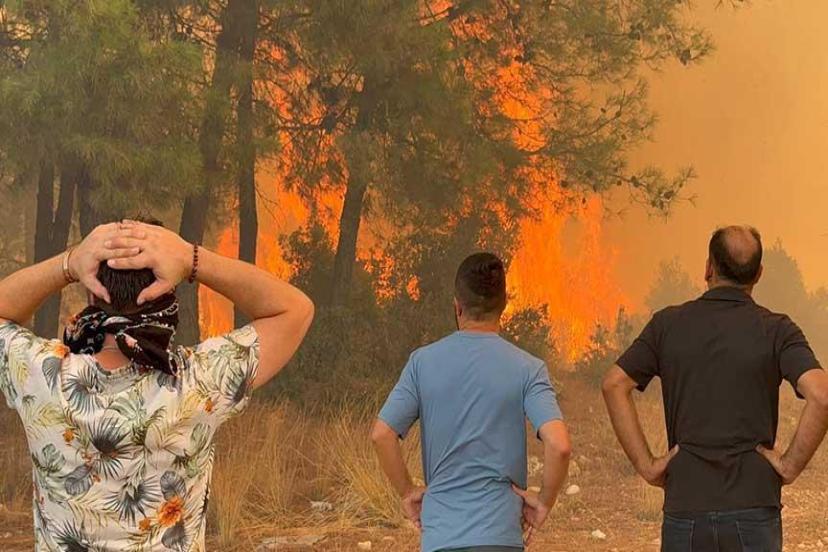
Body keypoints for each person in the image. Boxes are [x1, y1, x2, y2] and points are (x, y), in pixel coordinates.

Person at [0, 219, 314, 551]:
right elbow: (294, 309)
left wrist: (68, 263)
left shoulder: (41, 375)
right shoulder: (196, 380)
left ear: (91, 290)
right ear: (167, 290)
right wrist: (192, 259)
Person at [602, 225, 828, 552]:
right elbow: (821, 395)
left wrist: (648, 466)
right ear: (758, 274)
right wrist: (789, 466)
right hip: (754, 506)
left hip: (686, 505)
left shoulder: (668, 324)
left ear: (709, 267)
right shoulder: (777, 330)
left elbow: (613, 384)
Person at [371, 252, 571, 552]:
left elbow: (381, 434)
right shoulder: (528, 368)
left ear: (457, 306)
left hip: (440, 536)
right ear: (503, 305)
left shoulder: (421, 363)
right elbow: (559, 445)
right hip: (501, 535)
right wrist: (543, 503)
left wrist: (407, 493)